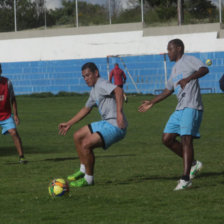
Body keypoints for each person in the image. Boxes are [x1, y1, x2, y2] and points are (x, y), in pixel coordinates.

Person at [138, 39, 209, 191]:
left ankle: (185, 179)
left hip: (191, 106)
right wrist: (152, 102)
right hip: (179, 109)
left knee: (186, 139)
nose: (168, 52)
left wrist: (189, 78)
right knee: (167, 139)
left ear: (179, 48)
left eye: (170, 49)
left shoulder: (189, 60)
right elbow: (168, 90)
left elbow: (204, 69)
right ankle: (194, 164)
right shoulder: (175, 69)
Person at [58, 62, 128, 187]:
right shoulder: (94, 90)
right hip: (105, 122)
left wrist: (119, 114)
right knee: (77, 136)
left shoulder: (101, 83)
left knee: (86, 144)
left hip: (115, 125)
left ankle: (89, 179)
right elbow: (86, 109)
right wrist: (69, 123)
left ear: (96, 73)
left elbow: (118, 90)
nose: (86, 79)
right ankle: (83, 170)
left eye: (88, 75)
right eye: (84, 77)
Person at [0, 63, 26, 164]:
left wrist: (15, 115)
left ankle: (22, 157)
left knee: (14, 132)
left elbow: (13, 99)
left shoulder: (7, 82)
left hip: (6, 115)